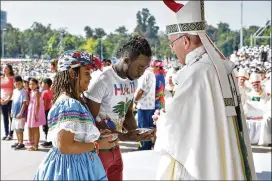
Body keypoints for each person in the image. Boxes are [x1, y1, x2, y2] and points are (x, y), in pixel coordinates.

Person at [153, 0, 256, 180]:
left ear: (185, 41)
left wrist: (161, 119)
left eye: (171, 43)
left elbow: (175, 127)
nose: (172, 49)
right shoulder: (221, 67)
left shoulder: (196, 73)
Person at [34, 50, 116, 180]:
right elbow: (65, 146)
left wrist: (96, 134)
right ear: (73, 73)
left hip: (76, 165)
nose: (90, 78)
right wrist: (98, 145)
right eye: (87, 73)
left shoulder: (73, 102)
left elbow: (75, 136)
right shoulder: (69, 104)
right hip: (71, 170)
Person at [84, 35, 155, 181]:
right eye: (140, 67)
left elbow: (128, 114)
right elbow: (89, 123)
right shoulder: (102, 80)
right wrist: (125, 136)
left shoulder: (132, 81)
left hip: (115, 148)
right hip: (97, 151)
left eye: (145, 68)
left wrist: (137, 132)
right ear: (127, 60)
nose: (141, 72)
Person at [134, 66, 156, 150]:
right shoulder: (151, 74)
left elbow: (141, 90)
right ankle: (147, 147)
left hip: (143, 106)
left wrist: (135, 100)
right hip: (150, 105)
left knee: (143, 129)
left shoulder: (145, 74)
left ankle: (143, 148)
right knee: (149, 129)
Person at [26, 78, 46, 151]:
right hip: (31, 110)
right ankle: (33, 144)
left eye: (33, 84)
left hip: (35, 111)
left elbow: (37, 104)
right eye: (30, 84)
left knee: (36, 129)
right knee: (32, 128)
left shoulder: (37, 92)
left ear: (37, 85)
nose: (31, 85)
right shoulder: (31, 92)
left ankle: (36, 146)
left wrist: (36, 114)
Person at [10, 76, 28, 150]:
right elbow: (13, 102)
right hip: (14, 112)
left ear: (22, 83)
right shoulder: (14, 91)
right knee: (16, 128)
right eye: (16, 83)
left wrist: (21, 113)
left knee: (20, 129)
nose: (17, 85)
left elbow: (24, 103)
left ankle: (21, 143)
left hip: (20, 114)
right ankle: (18, 141)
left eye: (19, 83)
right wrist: (11, 111)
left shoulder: (23, 91)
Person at [1, 64, 15, 140]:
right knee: (5, 117)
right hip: (2, 100)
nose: (4, 69)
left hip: (10, 100)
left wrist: (8, 99)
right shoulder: (1, 78)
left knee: (11, 117)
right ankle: (6, 133)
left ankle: (11, 134)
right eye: (3, 68)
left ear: (9, 69)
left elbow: (13, 90)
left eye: (6, 68)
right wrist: (1, 99)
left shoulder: (13, 78)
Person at [40, 78, 53, 148]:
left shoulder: (44, 92)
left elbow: (44, 104)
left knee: (45, 127)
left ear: (46, 84)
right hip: (50, 110)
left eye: (42, 83)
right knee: (50, 126)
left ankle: (48, 141)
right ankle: (50, 141)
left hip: (45, 110)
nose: (41, 85)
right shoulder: (52, 91)